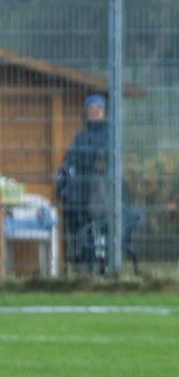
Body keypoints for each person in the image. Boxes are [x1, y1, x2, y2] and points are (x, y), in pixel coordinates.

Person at [55, 93, 111, 272]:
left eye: (97, 110)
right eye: (91, 111)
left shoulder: (110, 134)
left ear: (103, 112)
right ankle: (86, 263)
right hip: (81, 191)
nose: (94, 114)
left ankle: (106, 262)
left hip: (103, 190)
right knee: (81, 225)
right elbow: (71, 158)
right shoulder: (81, 136)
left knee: (104, 226)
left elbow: (108, 161)